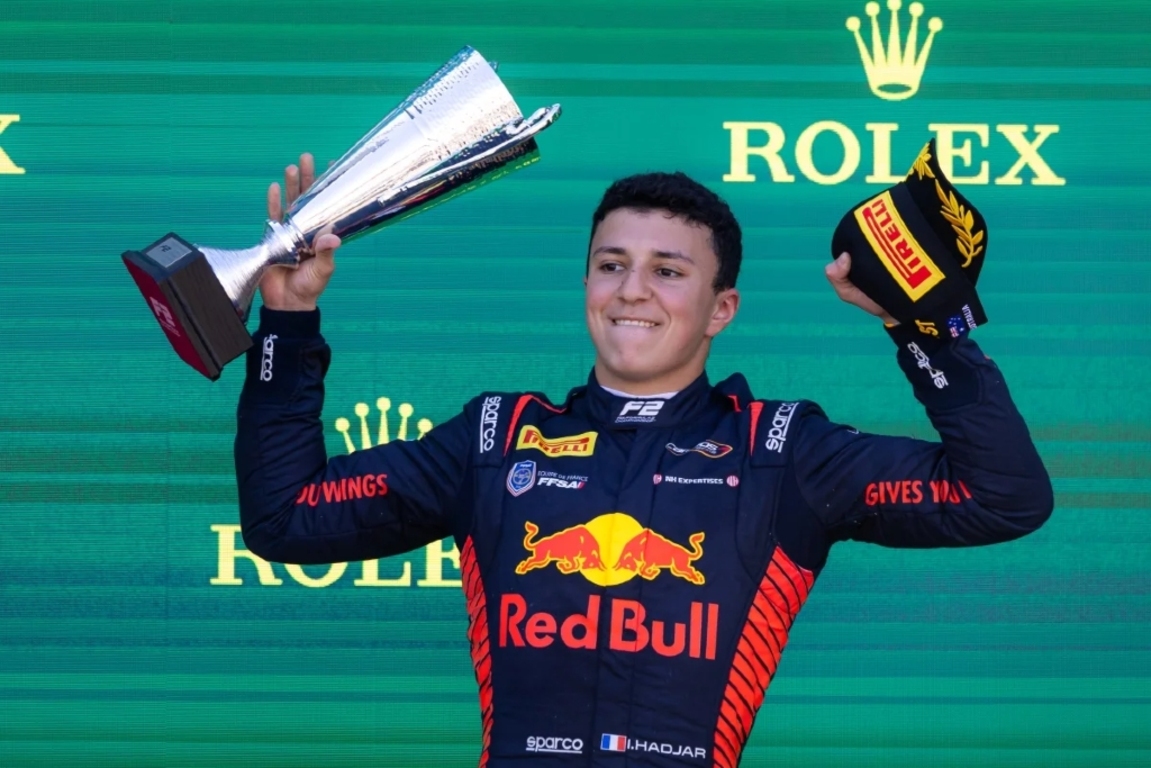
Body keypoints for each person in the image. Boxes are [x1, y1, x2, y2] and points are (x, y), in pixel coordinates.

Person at [235, 153, 1052, 767]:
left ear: (720, 309)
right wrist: (288, 320)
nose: (631, 291)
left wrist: (926, 332)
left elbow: (1001, 496)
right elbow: (287, 517)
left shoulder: (782, 451)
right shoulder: (494, 438)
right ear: (586, 283)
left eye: (667, 272)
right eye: (611, 266)